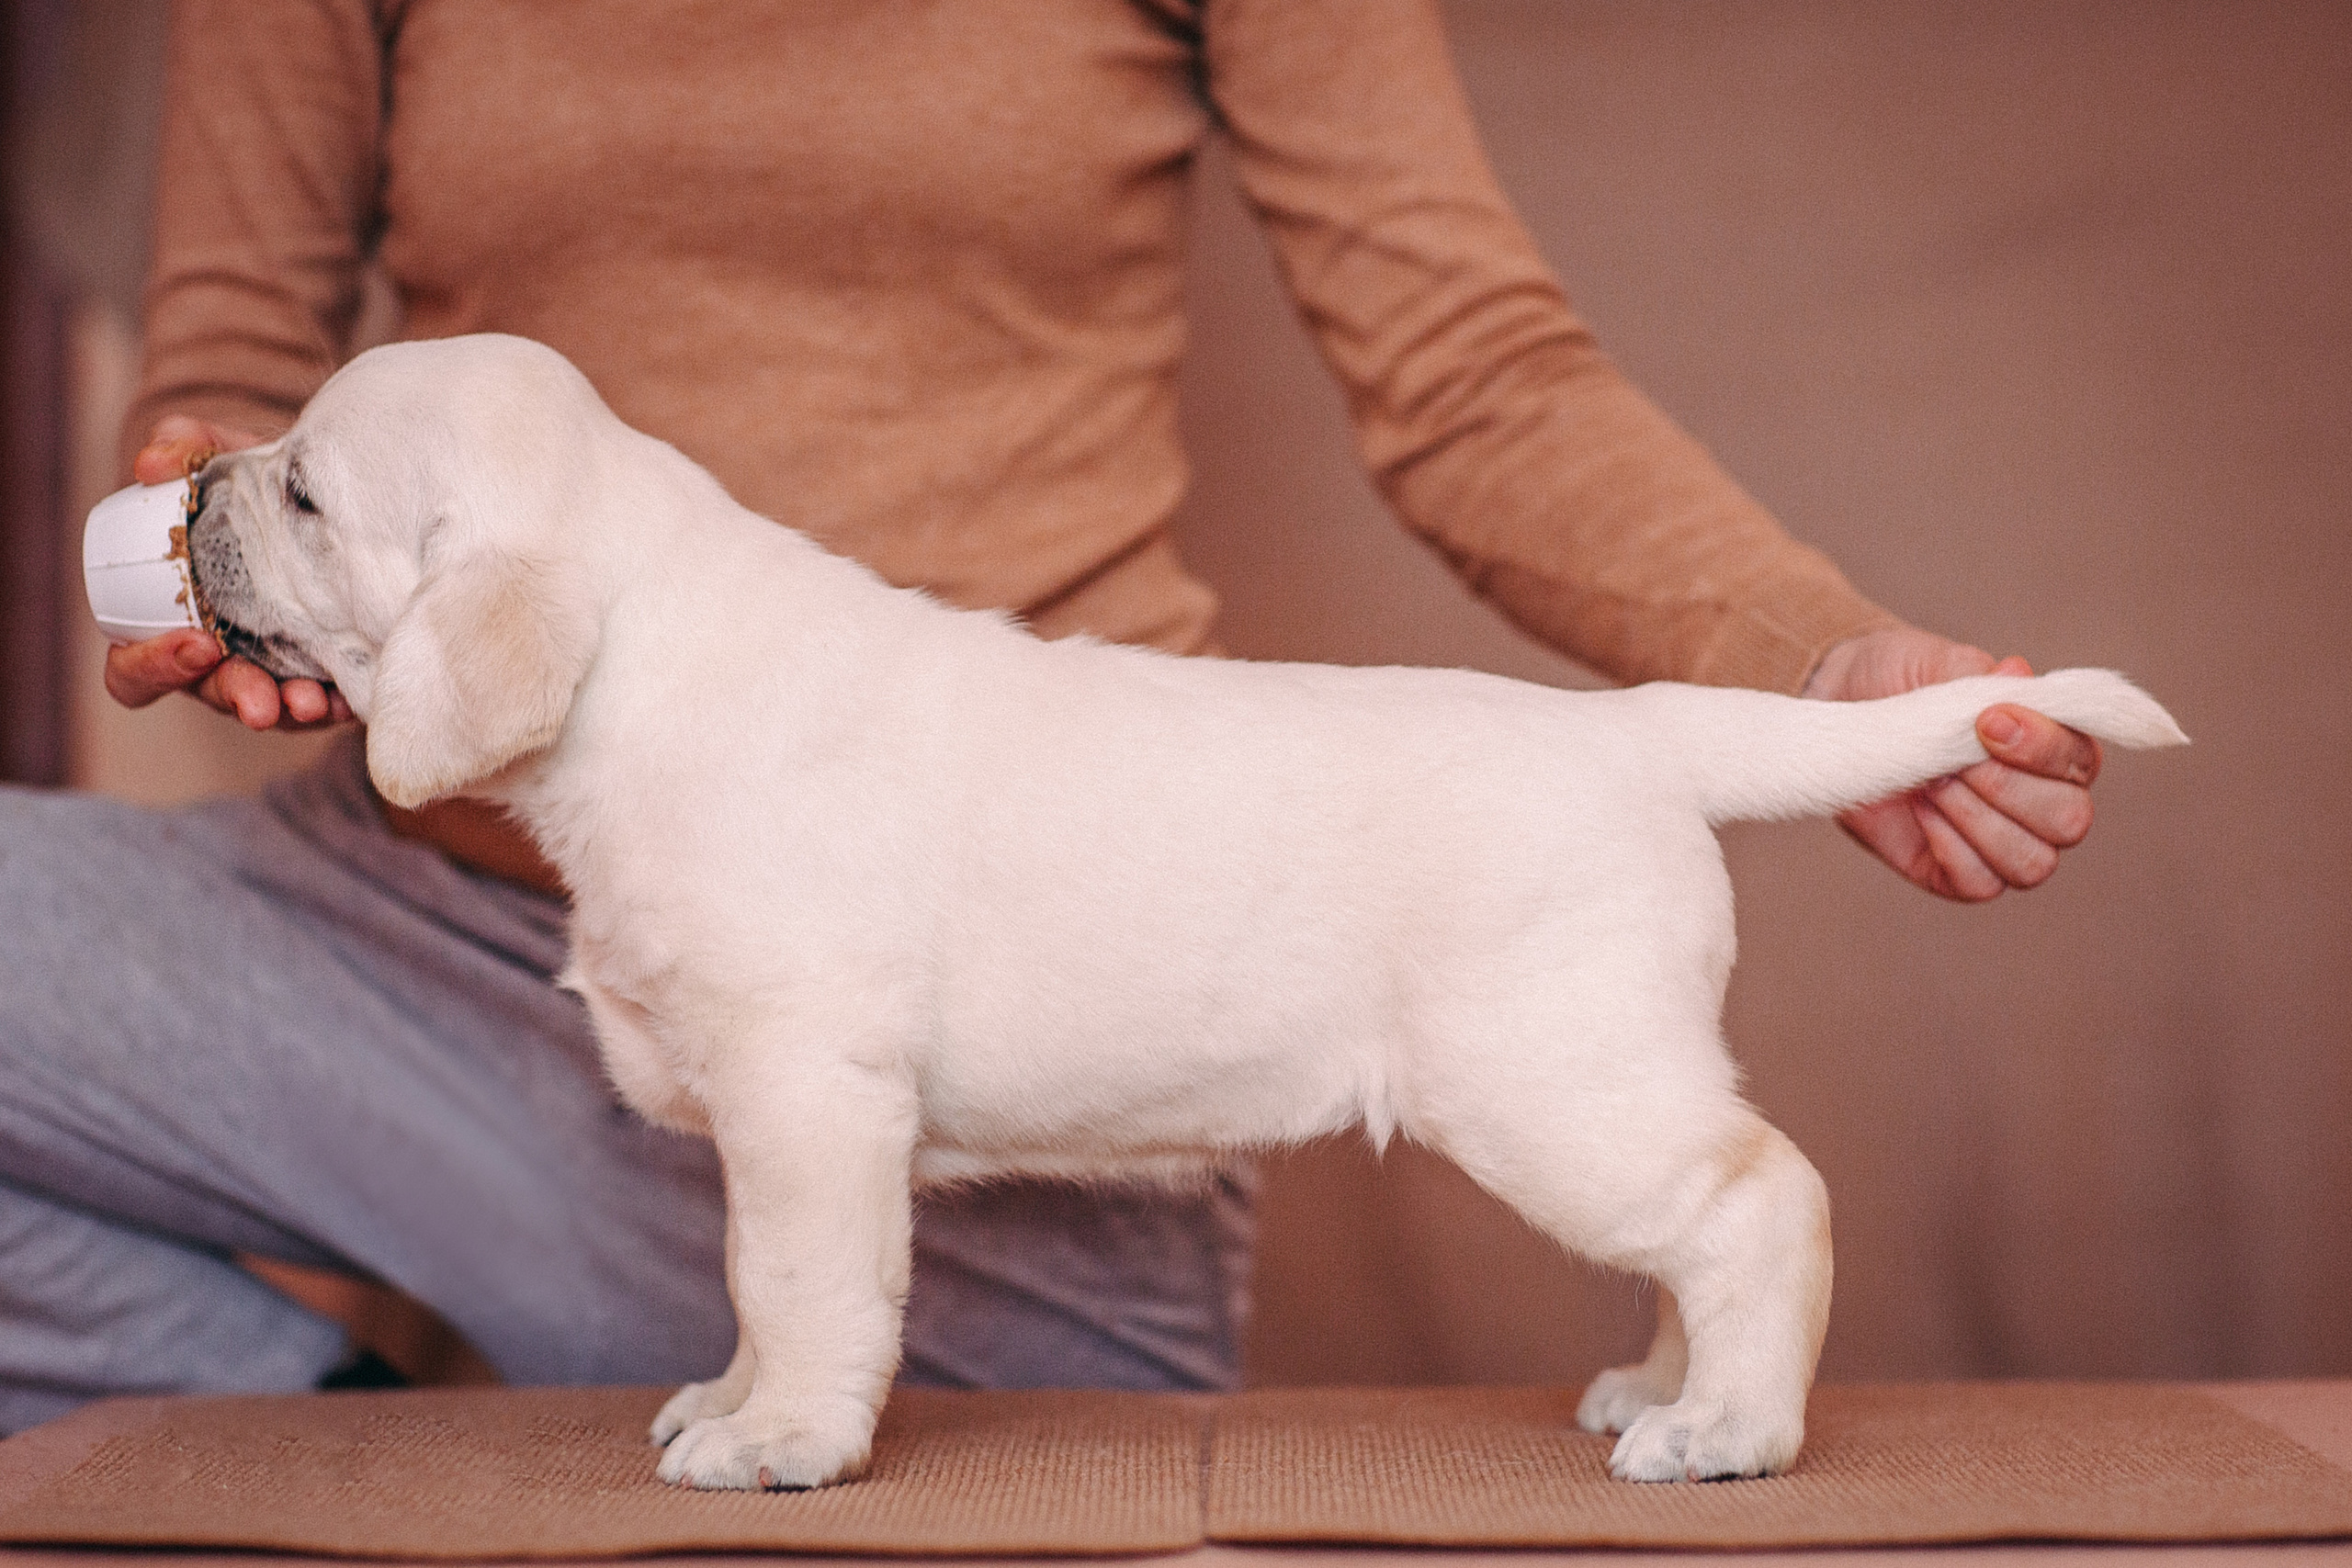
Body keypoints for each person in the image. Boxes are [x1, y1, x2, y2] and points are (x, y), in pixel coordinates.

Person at [0, 0, 2101, 1431]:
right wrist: (214, 493)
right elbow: (235, 351)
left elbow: (1470, 369)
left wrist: (1812, 655)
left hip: (1052, 998)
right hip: (409, 935)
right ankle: (328, 1457)